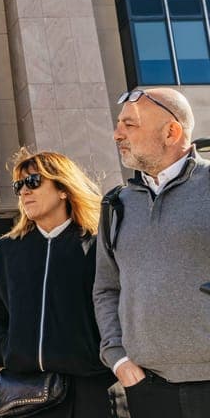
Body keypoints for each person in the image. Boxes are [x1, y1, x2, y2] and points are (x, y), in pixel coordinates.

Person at [94, 88, 210, 417]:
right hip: (147, 388)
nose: (117, 134)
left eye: (130, 125)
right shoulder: (116, 204)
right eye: (119, 124)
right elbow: (106, 288)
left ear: (171, 131)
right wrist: (117, 357)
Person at [0, 149, 115, 416]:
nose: (24, 191)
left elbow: (120, 308)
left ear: (63, 189)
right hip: (26, 395)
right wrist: (9, 352)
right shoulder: (5, 251)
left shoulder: (97, 246)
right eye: (19, 185)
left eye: (34, 181)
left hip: (91, 391)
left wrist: (104, 356)